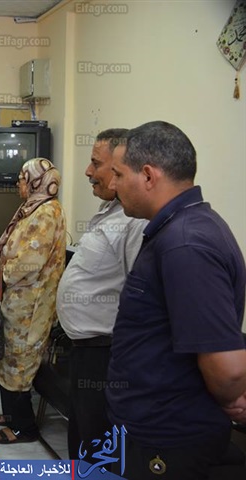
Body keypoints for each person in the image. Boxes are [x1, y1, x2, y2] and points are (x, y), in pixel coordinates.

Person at [106, 121, 246, 479]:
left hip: (167, 438)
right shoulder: (178, 228)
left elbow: (228, 368)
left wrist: (231, 399)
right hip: (152, 428)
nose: (113, 185)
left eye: (118, 174)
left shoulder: (185, 244)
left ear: (148, 175)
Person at [55, 129, 147, 463]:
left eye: (96, 163)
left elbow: (141, 295)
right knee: (82, 443)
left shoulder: (136, 222)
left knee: (99, 449)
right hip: (85, 351)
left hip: (107, 354)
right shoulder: (110, 211)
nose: (87, 171)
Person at [0, 158, 66, 444]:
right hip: (15, 300)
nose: (18, 183)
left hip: (30, 305)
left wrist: (1, 274)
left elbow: (30, 261)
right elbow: (9, 245)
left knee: (20, 363)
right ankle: (11, 416)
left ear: (36, 182)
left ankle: (23, 428)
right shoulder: (31, 207)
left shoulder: (47, 212)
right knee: (8, 358)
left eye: (22, 178)